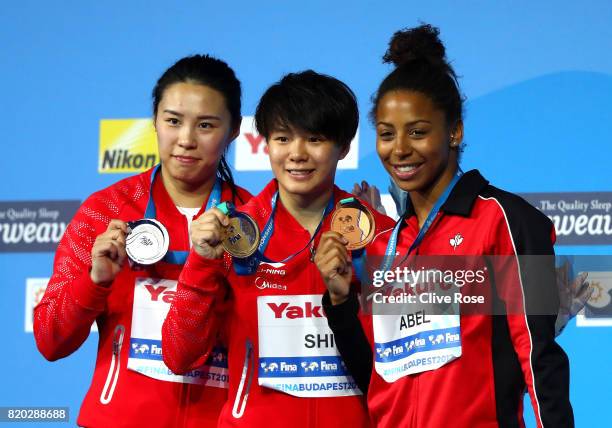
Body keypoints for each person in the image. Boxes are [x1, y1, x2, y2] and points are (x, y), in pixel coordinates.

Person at [315, 25, 574, 428]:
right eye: (386, 134)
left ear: (454, 131)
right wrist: (340, 302)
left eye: (417, 132)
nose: (399, 149)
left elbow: (540, 357)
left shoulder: (510, 220)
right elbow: (371, 374)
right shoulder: (381, 243)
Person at [162, 70, 393, 427]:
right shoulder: (230, 235)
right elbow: (180, 355)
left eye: (315, 139)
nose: (297, 154)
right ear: (266, 144)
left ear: (344, 147)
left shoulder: (380, 236)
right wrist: (201, 264)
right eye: (283, 138)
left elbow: (401, 370)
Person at [33, 55, 252, 428]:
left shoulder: (252, 223)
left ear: (233, 131)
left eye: (205, 125)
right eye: (172, 121)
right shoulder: (107, 210)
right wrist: (95, 281)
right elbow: (51, 340)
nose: (185, 140)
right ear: (154, 120)